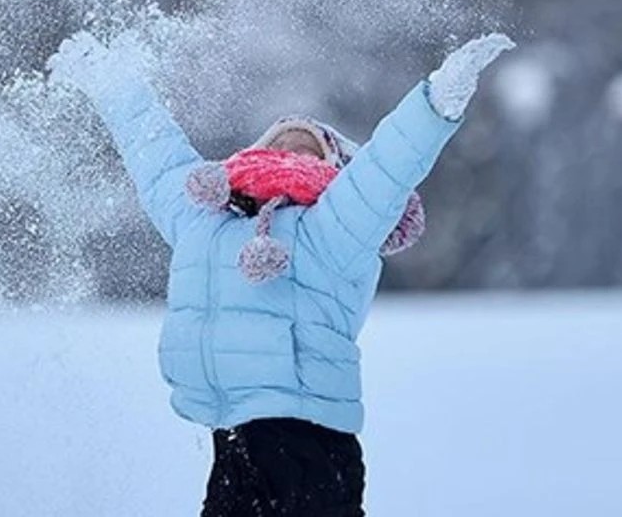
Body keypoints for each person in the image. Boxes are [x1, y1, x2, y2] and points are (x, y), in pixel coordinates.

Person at [47, 32, 514, 516]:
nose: (292, 147)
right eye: (279, 142)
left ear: (335, 170)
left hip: (310, 439)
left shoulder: (334, 227)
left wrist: (436, 103)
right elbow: (158, 160)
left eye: (310, 148)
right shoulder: (205, 220)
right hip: (233, 439)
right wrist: (113, 85)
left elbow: (386, 169)